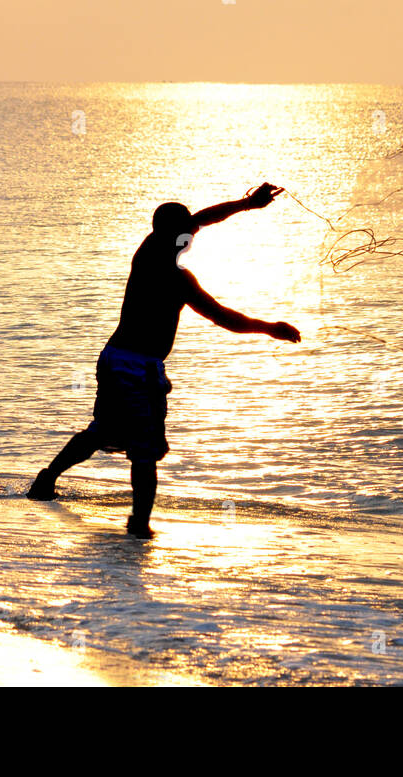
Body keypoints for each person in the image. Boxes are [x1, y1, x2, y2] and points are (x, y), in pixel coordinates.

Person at [27, 183, 301, 537]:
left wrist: (247, 204)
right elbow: (224, 318)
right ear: (176, 233)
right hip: (137, 368)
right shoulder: (176, 278)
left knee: (104, 430)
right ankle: (139, 524)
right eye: (187, 230)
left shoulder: (146, 254)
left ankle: (46, 480)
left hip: (114, 358)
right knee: (144, 446)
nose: (192, 235)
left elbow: (201, 219)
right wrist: (269, 328)